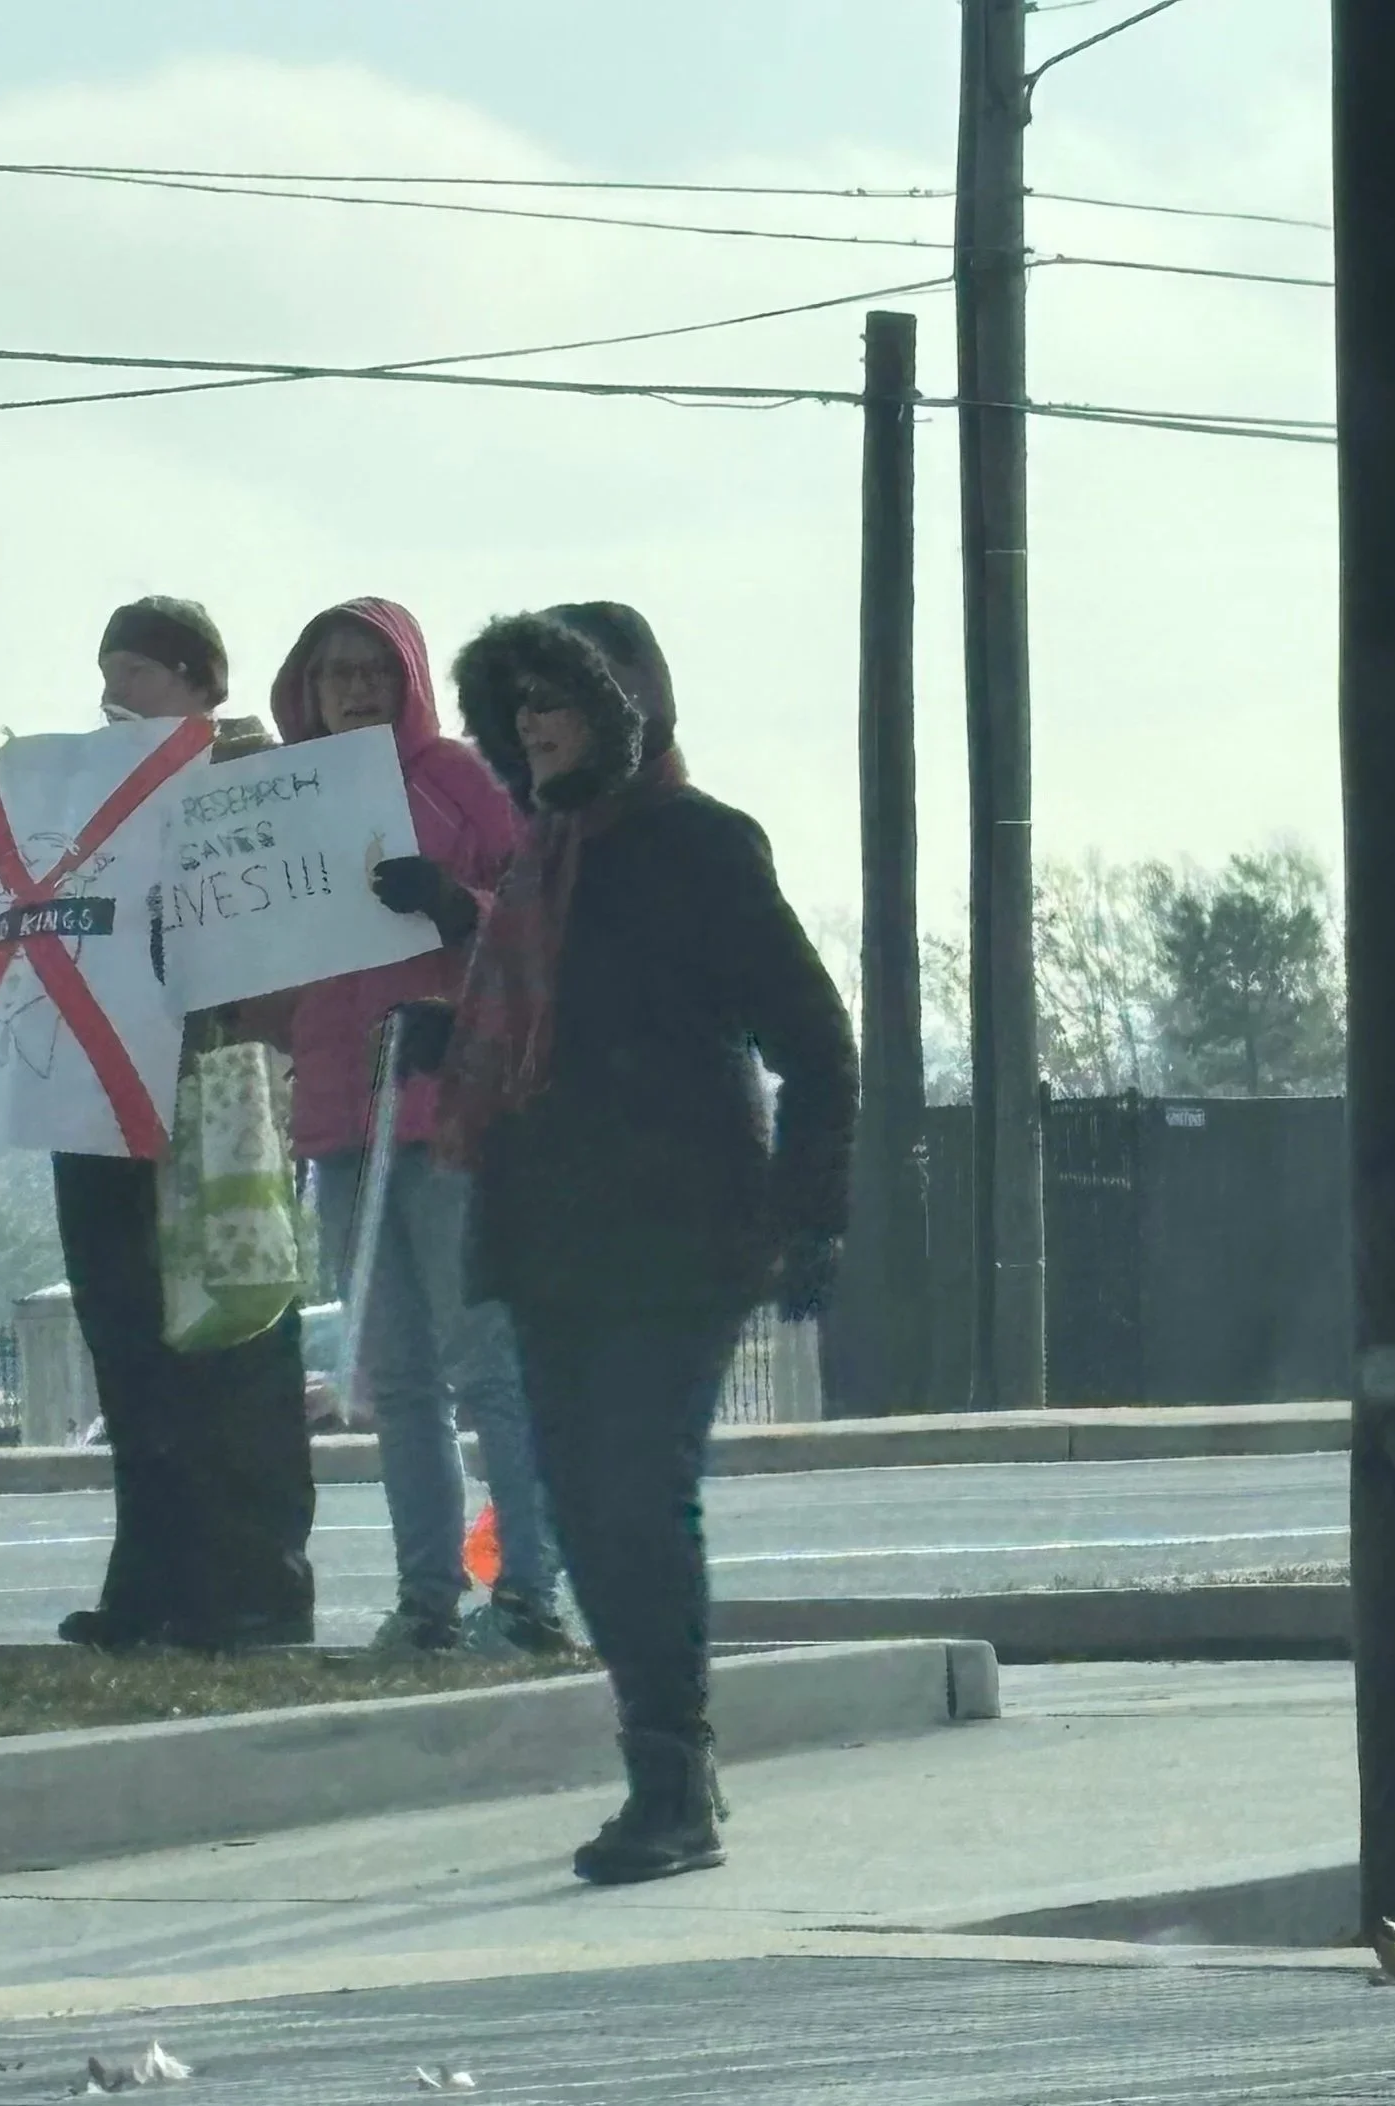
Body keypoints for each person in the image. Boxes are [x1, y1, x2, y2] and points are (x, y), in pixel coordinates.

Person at [418, 603, 856, 1883]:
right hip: (552, 1233)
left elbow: (813, 1043)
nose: (534, 727)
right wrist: (441, 1044)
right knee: (585, 1507)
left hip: (677, 1227)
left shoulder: (701, 845)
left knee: (635, 1495)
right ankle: (659, 1762)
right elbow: (545, 1038)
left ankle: (673, 1777)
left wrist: (808, 1213)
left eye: (558, 701)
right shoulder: (536, 865)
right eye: (518, 709)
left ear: (627, 707)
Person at [267, 598, 562, 1656]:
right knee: (393, 1379)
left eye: (373, 671)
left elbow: (538, 912)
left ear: (409, 680)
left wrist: (455, 907)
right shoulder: (284, 799)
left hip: (449, 1109)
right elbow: (263, 962)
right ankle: (426, 1601)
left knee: (486, 1363)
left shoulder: (458, 781)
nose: (353, 689)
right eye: (333, 671)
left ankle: (527, 1591)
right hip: (342, 1120)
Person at [53, 597, 317, 1653]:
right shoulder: (77, 799)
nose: (115, 699)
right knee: (130, 1353)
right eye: (105, 676)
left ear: (200, 678)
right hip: (97, 1090)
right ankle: (150, 1585)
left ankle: (256, 1583)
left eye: (136, 674)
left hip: (221, 1099)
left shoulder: (260, 777)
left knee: (236, 1343)